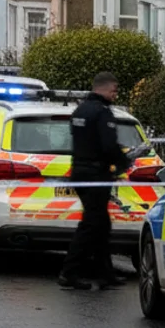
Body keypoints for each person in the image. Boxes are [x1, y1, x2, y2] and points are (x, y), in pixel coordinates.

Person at [59, 72, 131, 291]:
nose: (115, 93)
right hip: (96, 174)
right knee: (92, 223)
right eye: (114, 89)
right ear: (105, 89)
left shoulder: (80, 110)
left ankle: (104, 272)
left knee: (100, 222)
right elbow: (108, 145)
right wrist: (123, 162)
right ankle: (69, 272)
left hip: (80, 171)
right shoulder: (102, 113)